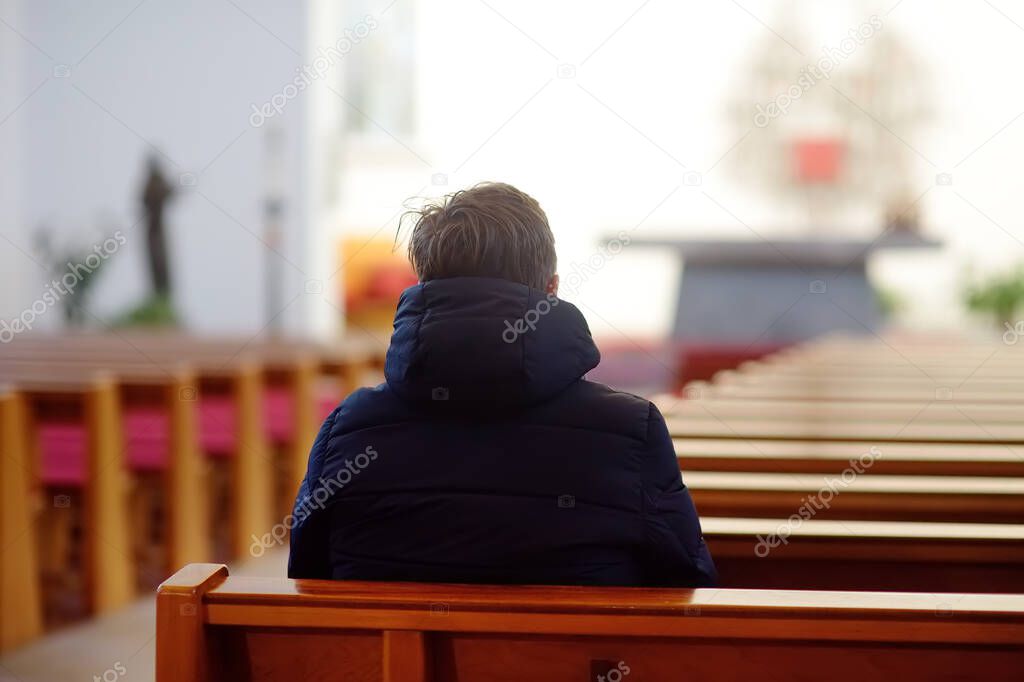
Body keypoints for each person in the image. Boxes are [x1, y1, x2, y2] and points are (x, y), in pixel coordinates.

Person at [288, 182, 716, 587]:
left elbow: (307, 582)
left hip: (379, 667)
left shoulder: (350, 429)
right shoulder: (629, 431)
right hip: (571, 666)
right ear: (552, 289)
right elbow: (686, 585)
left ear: (422, 289)